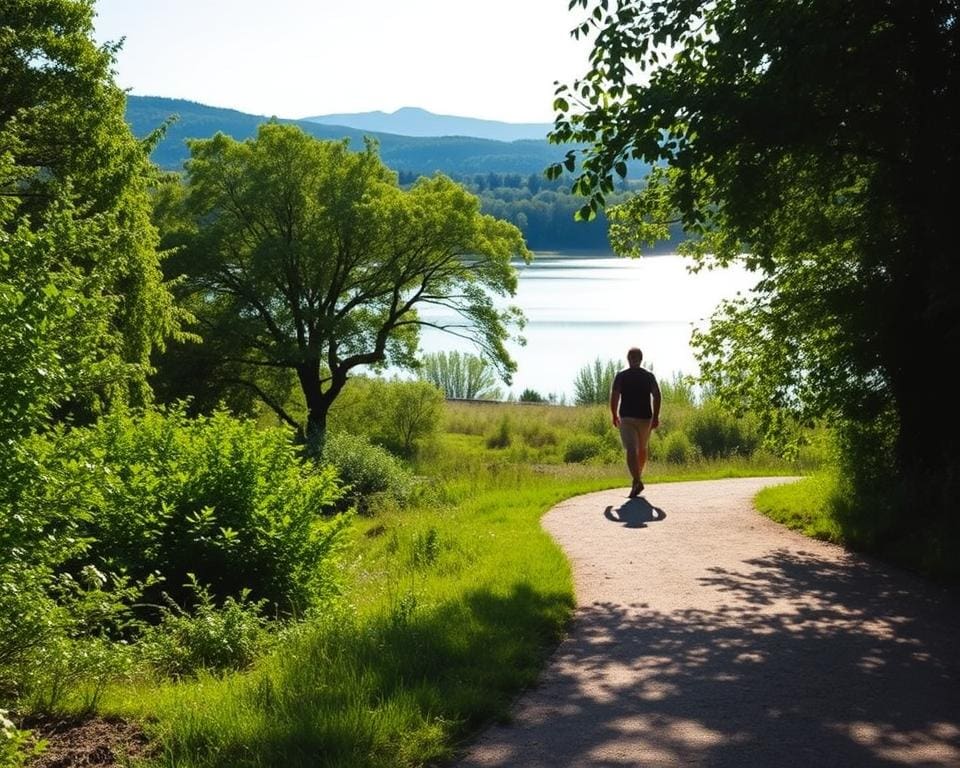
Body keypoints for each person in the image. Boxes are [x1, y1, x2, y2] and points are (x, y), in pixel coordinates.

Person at [609, 347, 661, 497]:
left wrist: (614, 414)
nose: (632, 360)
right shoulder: (648, 376)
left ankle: (637, 480)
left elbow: (615, 397)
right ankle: (637, 480)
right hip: (643, 418)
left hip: (629, 418)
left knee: (635, 449)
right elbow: (657, 396)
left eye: (632, 357)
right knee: (640, 449)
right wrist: (655, 416)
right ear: (640, 359)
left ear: (629, 359)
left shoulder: (621, 376)